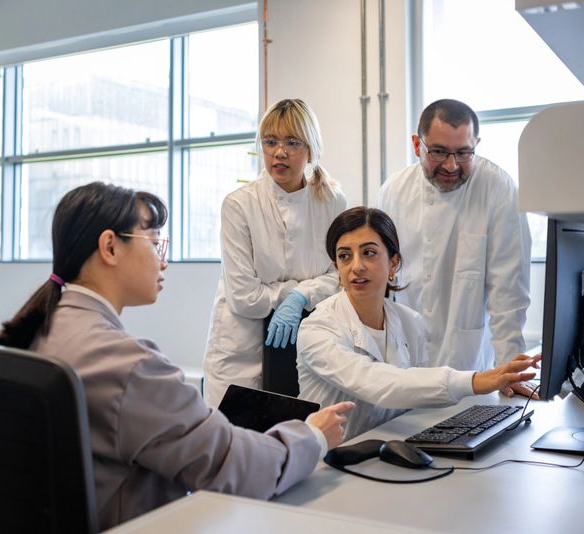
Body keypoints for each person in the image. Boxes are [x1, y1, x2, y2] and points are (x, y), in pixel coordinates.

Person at [0, 182, 354, 531]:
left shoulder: (42, 329)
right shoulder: (127, 364)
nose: (163, 261)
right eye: (153, 243)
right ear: (110, 247)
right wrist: (312, 436)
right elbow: (237, 469)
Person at [297, 207, 538, 439]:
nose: (356, 266)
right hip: (331, 465)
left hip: (386, 455)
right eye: (344, 256)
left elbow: (417, 395)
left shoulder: (409, 321)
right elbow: (376, 383)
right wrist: (476, 381)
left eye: (369, 252)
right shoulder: (318, 329)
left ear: (393, 263)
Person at [378, 98, 533, 398]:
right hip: (402, 362)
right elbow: (381, 278)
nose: (451, 165)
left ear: (476, 143)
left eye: (463, 153)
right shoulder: (393, 191)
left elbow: (509, 292)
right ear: (416, 145)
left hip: (467, 363)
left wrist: (510, 369)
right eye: (438, 152)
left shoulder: (498, 189)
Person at [203, 99, 347, 406]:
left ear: (311, 148)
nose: (279, 152)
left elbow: (338, 277)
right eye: (270, 142)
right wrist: (303, 291)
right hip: (241, 351)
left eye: (292, 142)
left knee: (301, 440)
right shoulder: (239, 204)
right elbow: (244, 296)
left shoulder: (331, 201)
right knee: (234, 444)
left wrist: (298, 298)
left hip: (307, 341)